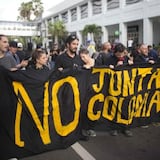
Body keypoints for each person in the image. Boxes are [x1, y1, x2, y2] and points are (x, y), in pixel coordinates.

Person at [54, 34, 89, 141]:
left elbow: (84, 71)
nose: (75, 46)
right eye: (73, 44)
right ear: (68, 45)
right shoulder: (61, 58)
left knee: (79, 112)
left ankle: (79, 133)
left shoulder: (79, 58)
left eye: (77, 44)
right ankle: (64, 135)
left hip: (79, 91)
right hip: (65, 93)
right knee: (66, 114)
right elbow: (56, 74)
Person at [105, 43, 133, 137]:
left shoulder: (126, 58)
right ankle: (114, 128)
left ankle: (126, 127)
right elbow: (105, 72)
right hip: (114, 88)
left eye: (122, 54)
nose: (121, 56)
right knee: (114, 108)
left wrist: (130, 64)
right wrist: (115, 66)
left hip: (125, 87)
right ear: (115, 52)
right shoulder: (110, 59)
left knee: (125, 107)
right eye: (119, 54)